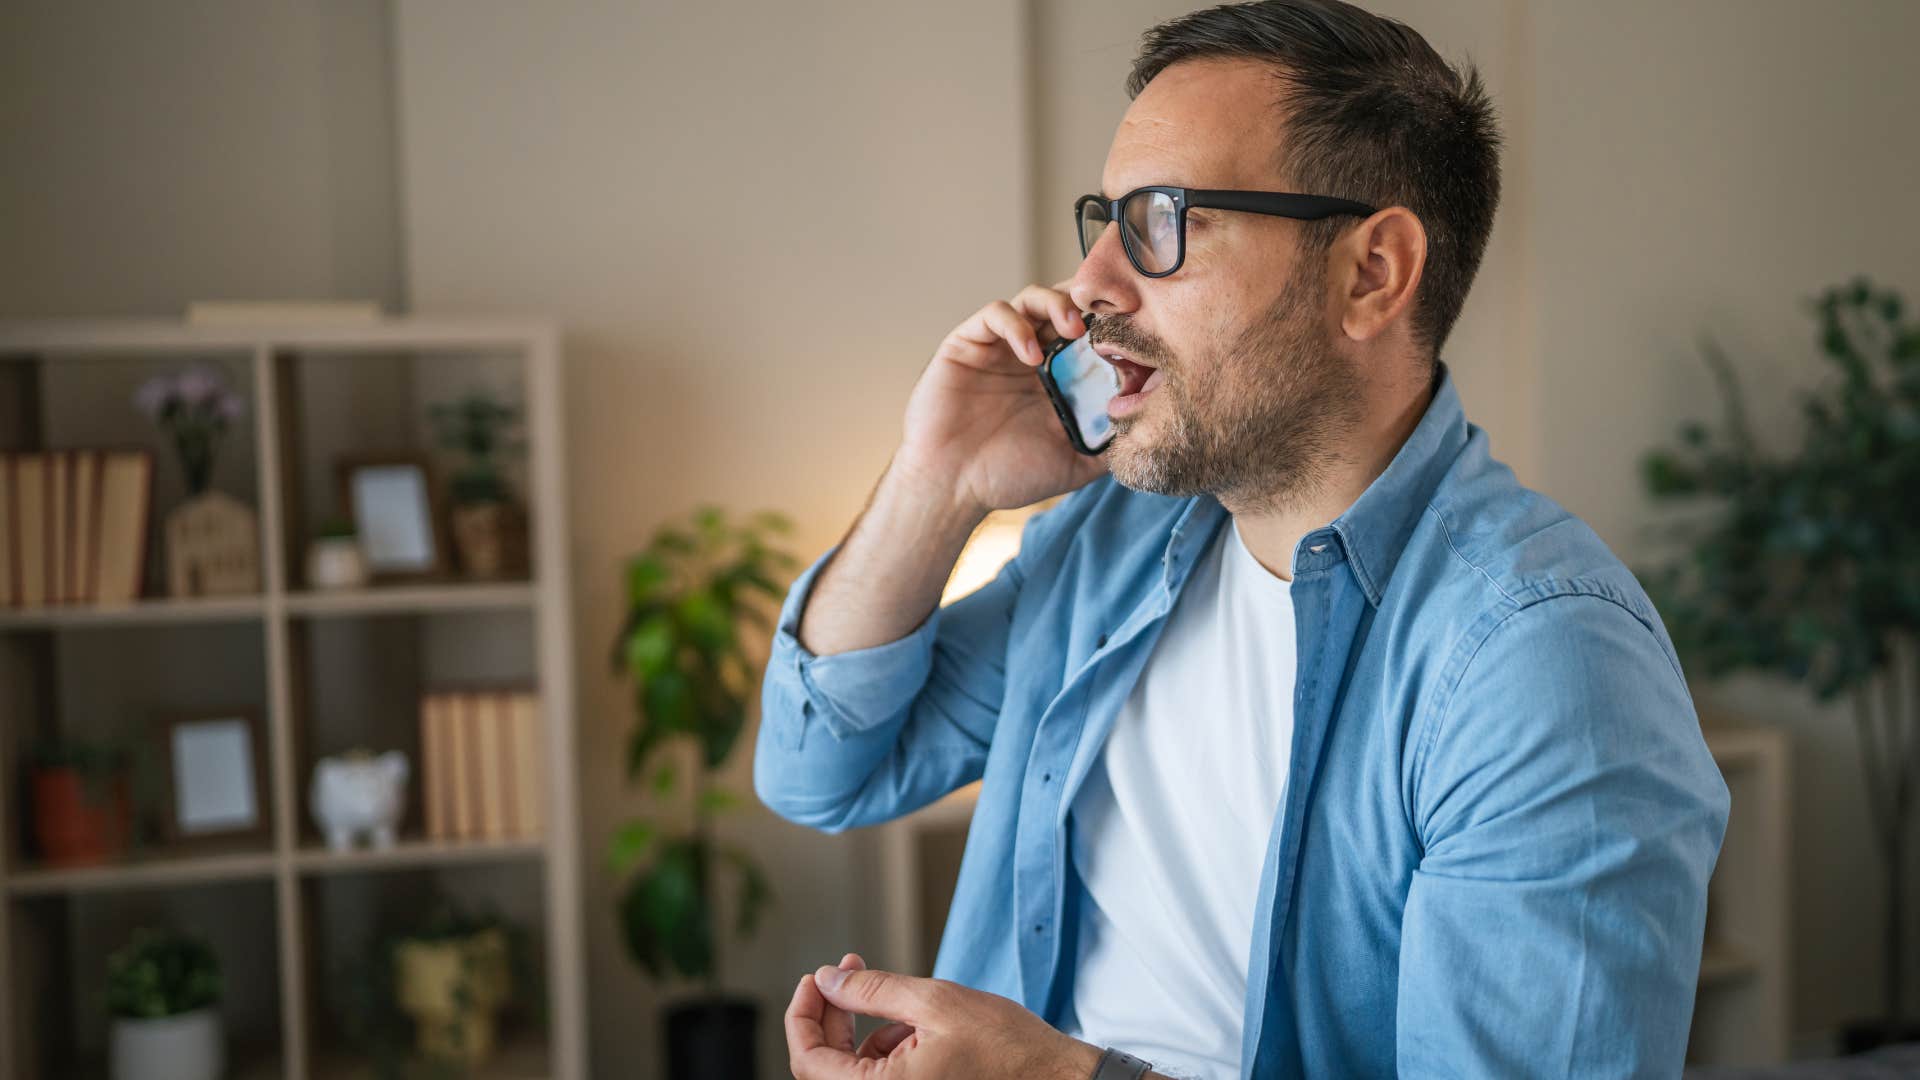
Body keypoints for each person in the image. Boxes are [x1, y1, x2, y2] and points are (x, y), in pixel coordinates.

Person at [756, 2, 1730, 1077]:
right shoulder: (1116, 536)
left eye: (1163, 222)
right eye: (1107, 221)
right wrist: (936, 481)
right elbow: (821, 772)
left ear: (1371, 273)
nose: (1087, 291)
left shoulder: (1543, 666)